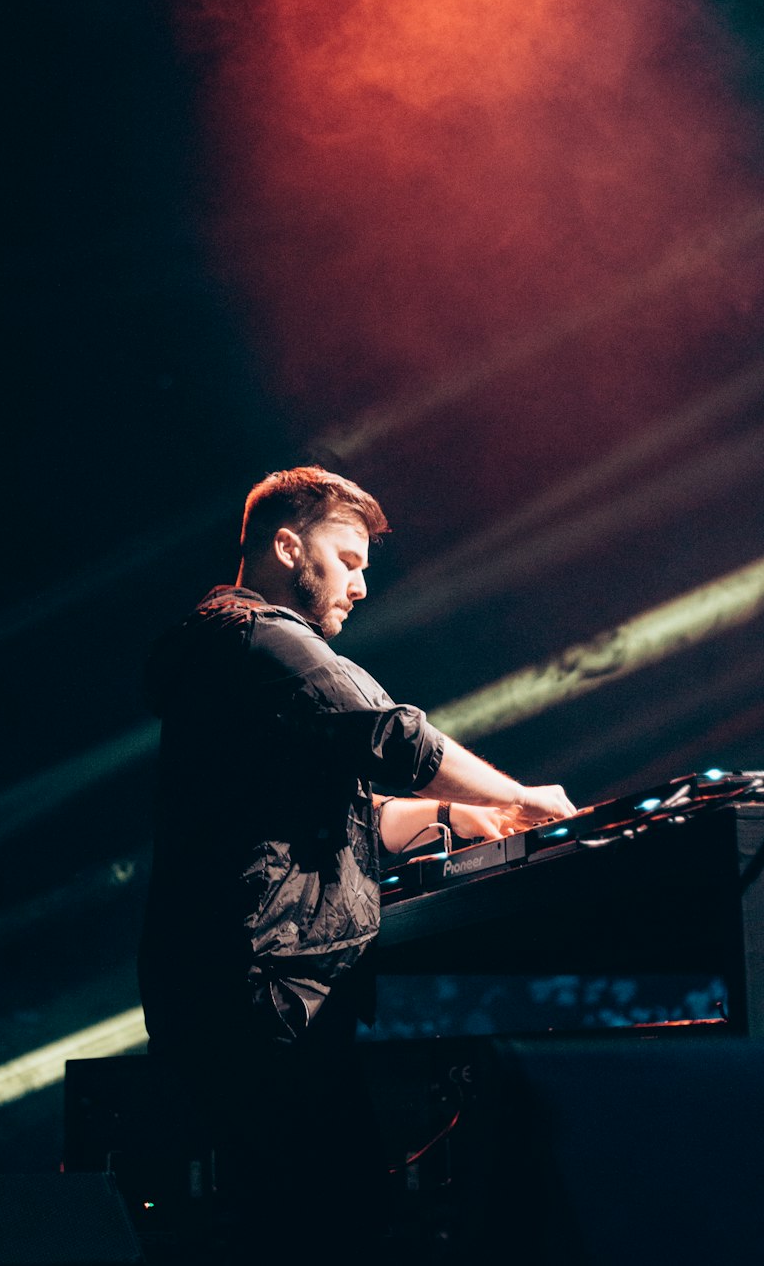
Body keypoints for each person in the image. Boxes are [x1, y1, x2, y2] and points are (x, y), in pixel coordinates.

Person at [137, 466, 575, 1260]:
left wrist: (460, 815)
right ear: (284, 546)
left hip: (227, 986)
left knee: (294, 1216)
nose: (362, 586)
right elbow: (391, 738)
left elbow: (331, 809)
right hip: (267, 985)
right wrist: (523, 797)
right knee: (333, 1218)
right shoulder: (261, 639)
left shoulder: (221, 655)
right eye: (348, 560)